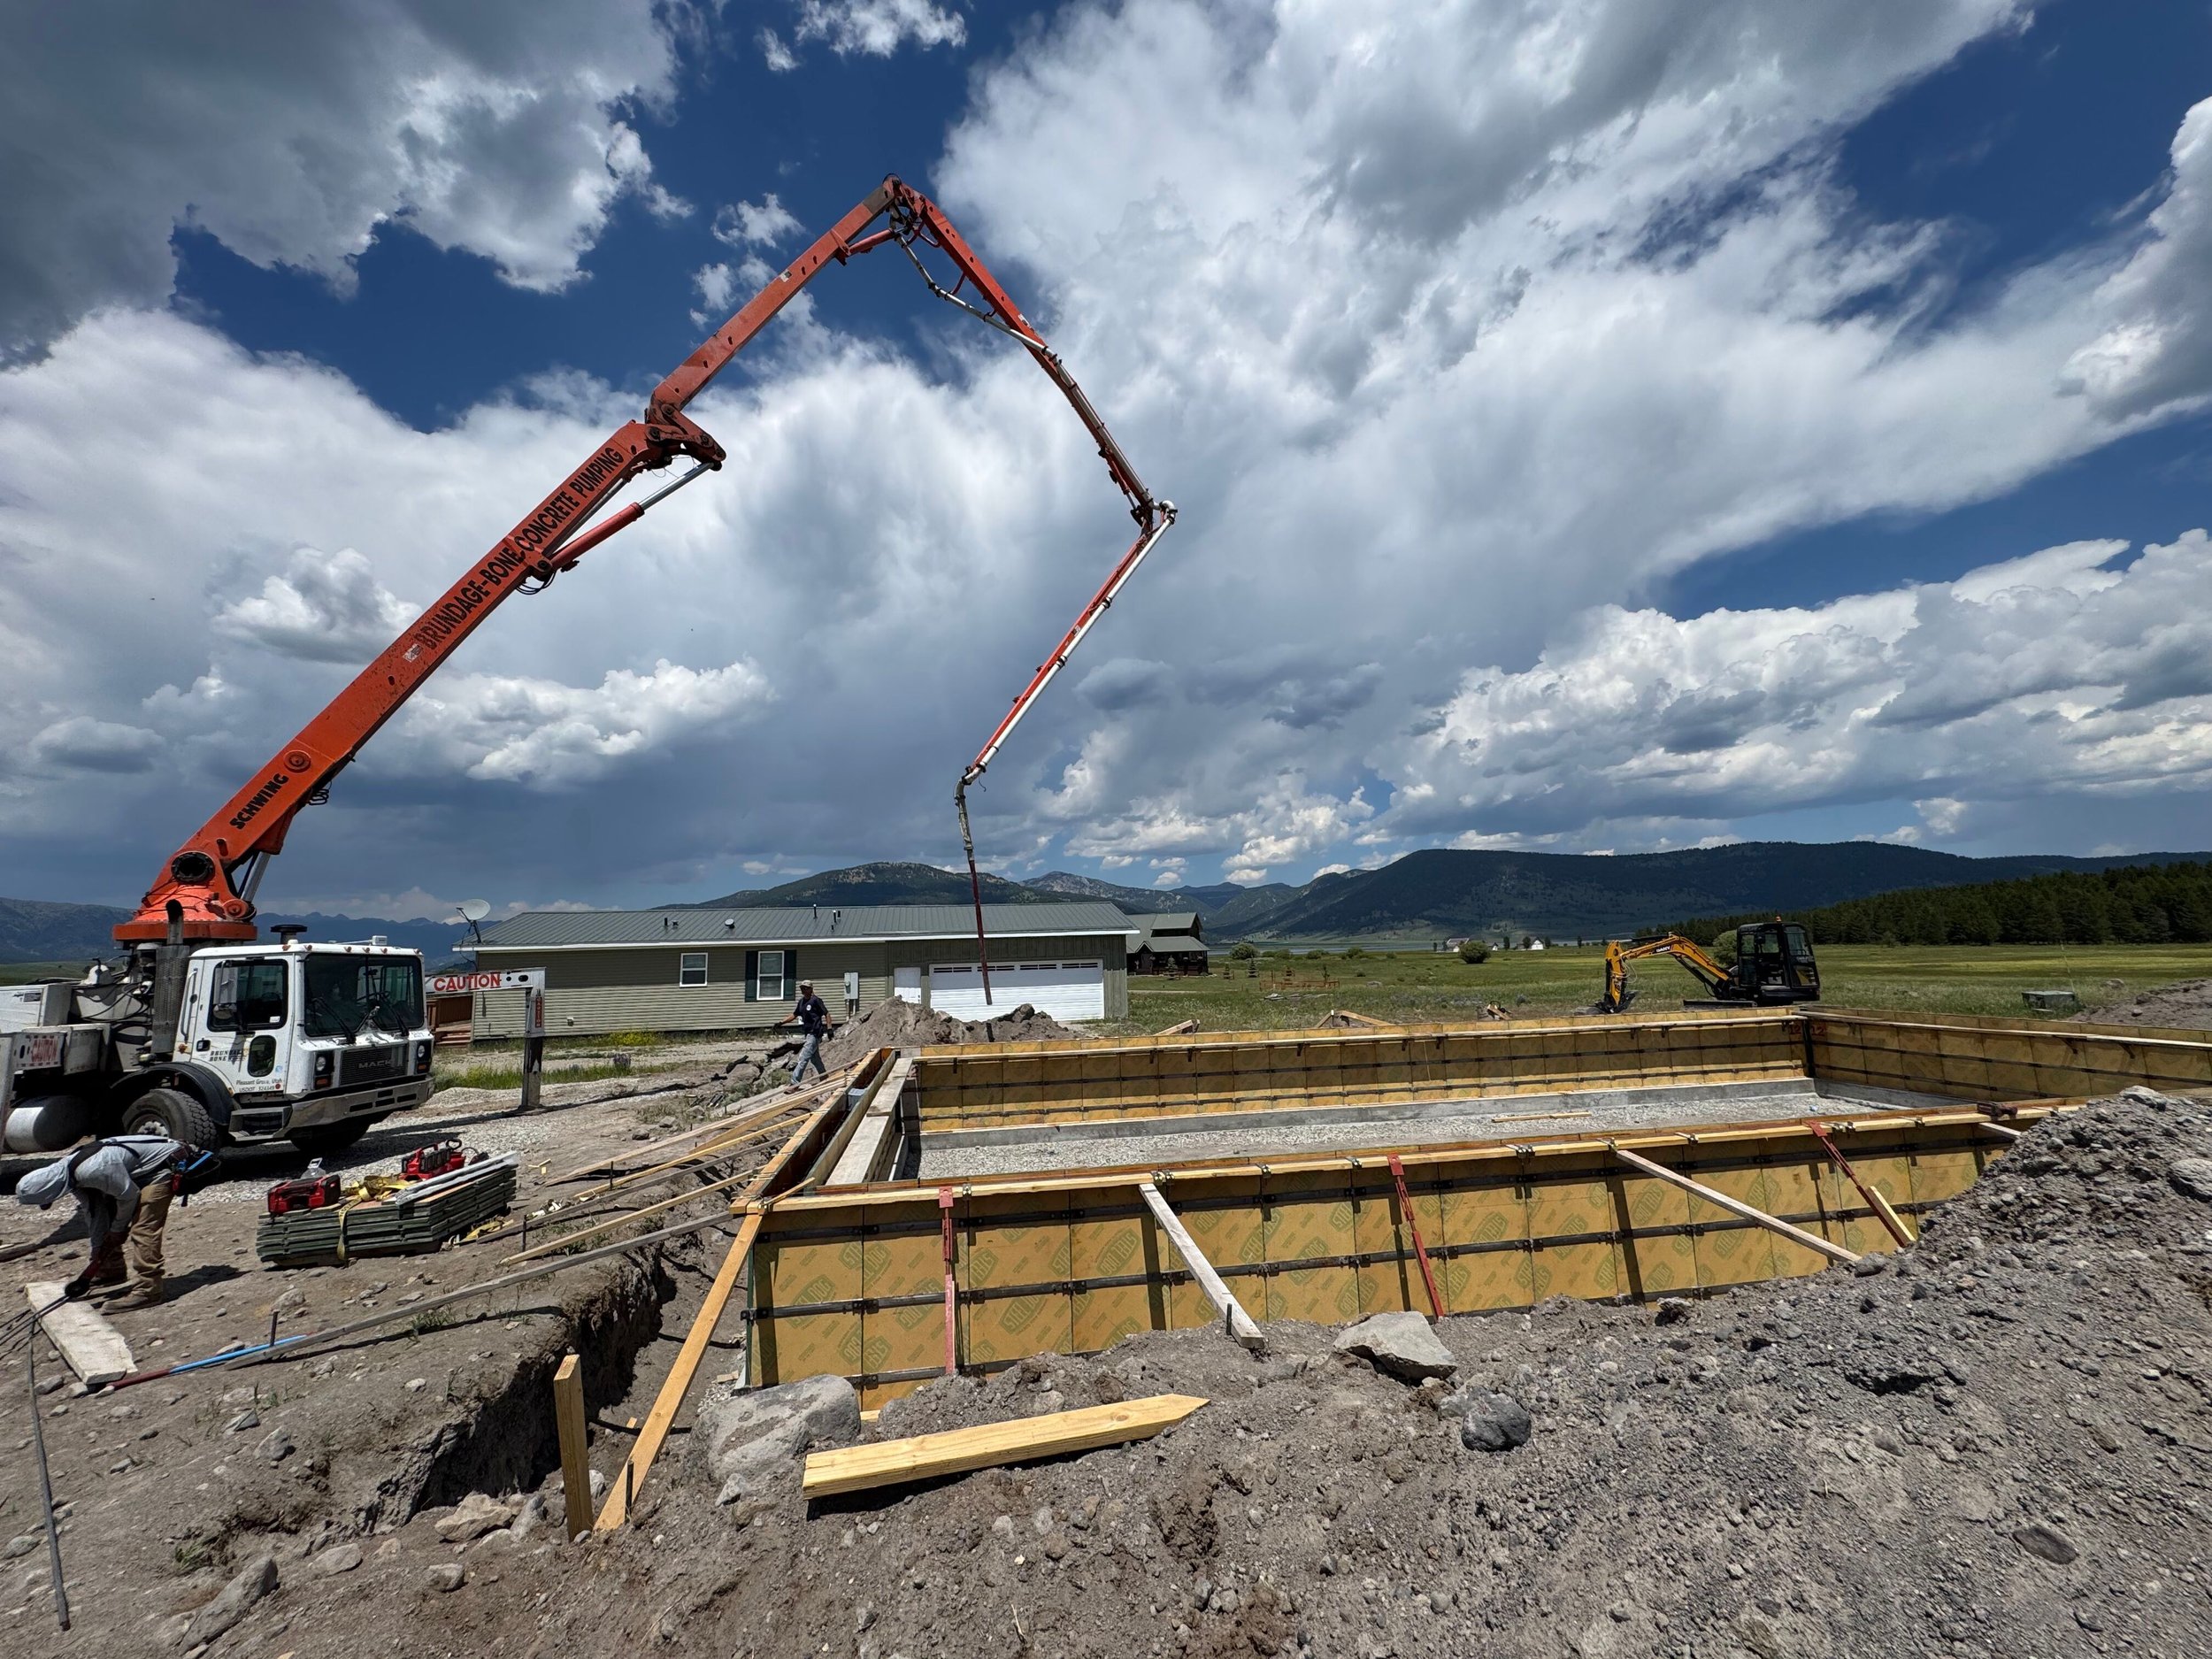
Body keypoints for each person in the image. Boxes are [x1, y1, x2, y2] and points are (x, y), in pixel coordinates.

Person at [14, 1133, 211, 1310]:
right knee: (109, 1219)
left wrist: (117, 1231)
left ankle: (148, 1290)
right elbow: (95, 1212)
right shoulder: (69, 1175)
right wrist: (99, 1247)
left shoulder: (92, 1171)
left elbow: (129, 1196)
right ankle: (110, 1271)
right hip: (135, 1172)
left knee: (143, 1228)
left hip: (163, 1168)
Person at [775, 979, 834, 1083]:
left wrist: (829, 1029)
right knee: (815, 1059)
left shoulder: (816, 1000)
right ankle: (825, 1078)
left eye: (806, 988)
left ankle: (795, 1082)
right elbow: (794, 1015)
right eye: (802, 988)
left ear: (811, 989)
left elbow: (827, 1014)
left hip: (815, 1033)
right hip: (807, 1033)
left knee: (803, 1058)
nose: (803, 990)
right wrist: (781, 1023)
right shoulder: (801, 1002)